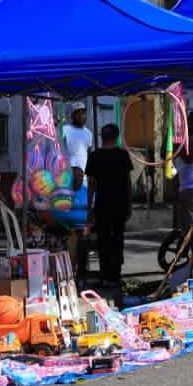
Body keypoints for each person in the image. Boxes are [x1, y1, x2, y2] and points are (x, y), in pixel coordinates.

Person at [85, 123, 134, 286]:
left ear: (102, 137)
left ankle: (105, 275)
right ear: (117, 136)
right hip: (120, 204)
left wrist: (89, 207)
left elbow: (91, 184)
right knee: (118, 238)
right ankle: (116, 274)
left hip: (102, 204)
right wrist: (129, 203)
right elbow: (128, 183)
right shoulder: (123, 155)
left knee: (103, 239)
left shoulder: (94, 156)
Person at [174, 111, 193, 235]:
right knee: (187, 226)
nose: (188, 125)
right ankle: (189, 250)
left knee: (191, 226)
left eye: (189, 122)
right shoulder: (188, 140)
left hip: (192, 188)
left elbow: (189, 158)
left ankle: (192, 250)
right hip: (186, 188)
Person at [61, 106, 94, 192]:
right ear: (72, 115)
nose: (81, 116)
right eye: (78, 113)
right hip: (68, 173)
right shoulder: (65, 130)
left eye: (83, 113)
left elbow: (89, 154)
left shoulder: (88, 133)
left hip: (84, 176)